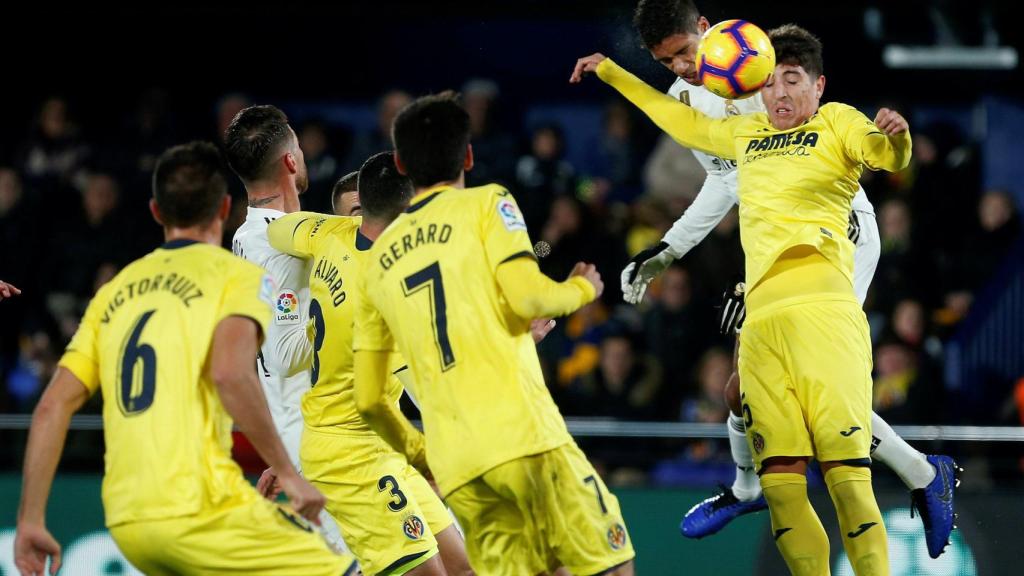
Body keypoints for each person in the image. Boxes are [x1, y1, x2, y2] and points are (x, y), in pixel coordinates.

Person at [574, 0, 959, 561]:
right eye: (666, 61)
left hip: (837, 236)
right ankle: (753, 486)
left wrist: (892, 143)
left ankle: (919, 474)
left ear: (705, 30)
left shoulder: (757, 66)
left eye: (684, 52)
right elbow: (733, 180)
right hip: (770, 260)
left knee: (822, 400)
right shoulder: (689, 99)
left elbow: (828, 161)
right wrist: (669, 249)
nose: (681, 67)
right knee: (741, 391)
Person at [14, 141, 356, 576]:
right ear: (224, 208)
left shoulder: (113, 294)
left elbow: (51, 406)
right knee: (344, 568)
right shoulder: (236, 277)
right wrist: (289, 472)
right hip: (201, 507)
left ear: (156, 211)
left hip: (128, 521)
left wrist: (30, 520)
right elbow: (231, 374)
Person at [352, 93, 635, 576]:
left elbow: (368, 398)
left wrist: (420, 452)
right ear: (468, 156)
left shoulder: (376, 264)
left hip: (458, 463)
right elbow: (529, 297)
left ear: (400, 163)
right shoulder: (487, 203)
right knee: (608, 564)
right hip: (524, 436)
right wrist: (582, 289)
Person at [264, 151, 471, 575]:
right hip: (350, 454)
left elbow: (277, 230)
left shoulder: (328, 233)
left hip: (379, 445)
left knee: (462, 566)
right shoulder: (389, 291)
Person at [223, 104, 349, 553]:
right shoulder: (272, 243)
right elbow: (284, 355)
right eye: (298, 146)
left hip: (307, 432)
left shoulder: (251, 235)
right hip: (319, 439)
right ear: (291, 161)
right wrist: (345, 312)